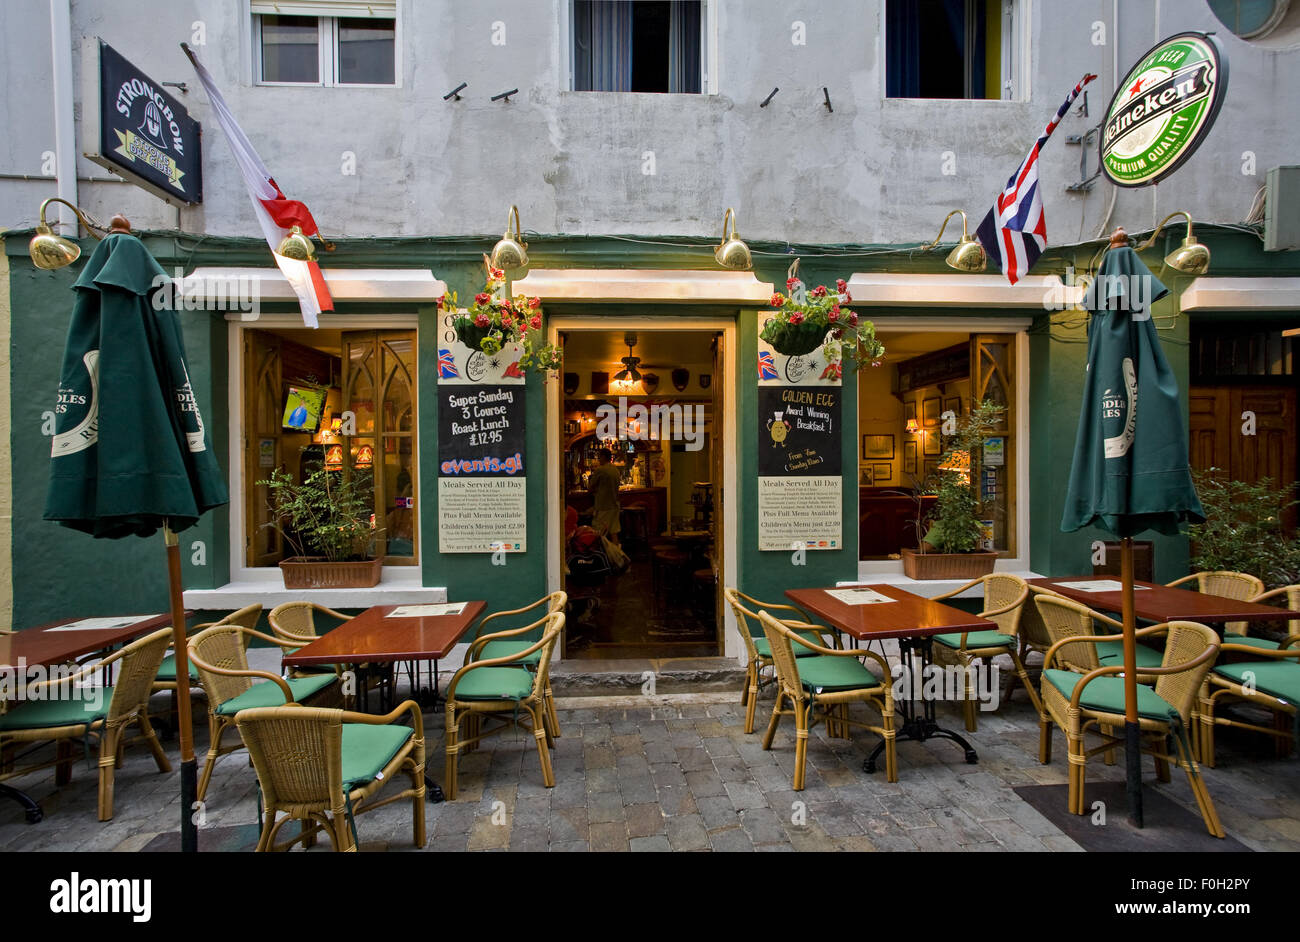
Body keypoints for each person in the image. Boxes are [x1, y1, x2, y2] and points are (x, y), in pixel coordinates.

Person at [589, 447, 623, 545]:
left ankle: (601, 555)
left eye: (599, 457)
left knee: (598, 531)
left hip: (603, 506)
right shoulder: (616, 470)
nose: (599, 460)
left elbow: (590, 488)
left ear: (603, 457)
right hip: (615, 505)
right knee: (613, 532)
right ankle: (616, 555)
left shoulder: (601, 470)